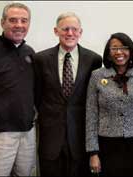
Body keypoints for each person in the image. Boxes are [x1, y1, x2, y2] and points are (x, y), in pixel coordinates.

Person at [32, 12, 102, 176]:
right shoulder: (40, 59)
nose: (70, 33)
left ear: (80, 32)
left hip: (80, 138)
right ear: (56, 31)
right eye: (65, 29)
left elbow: (95, 99)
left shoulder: (94, 60)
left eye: (74, 29)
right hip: (50, 138)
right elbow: (37, 94)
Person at [85, 32, 133, 177]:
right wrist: (93, 152)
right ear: (108, 53)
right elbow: (91, 115)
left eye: (123, 47)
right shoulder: (97, 76)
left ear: (130, 51)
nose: (119, 52)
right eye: (114, 48)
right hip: (106, 144)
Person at [0, 2, 36, 176]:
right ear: (2, 22)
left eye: (24, 20)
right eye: (13, 20)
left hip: (27, 131)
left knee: (24, 174)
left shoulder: (30, 52)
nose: (19, 25)